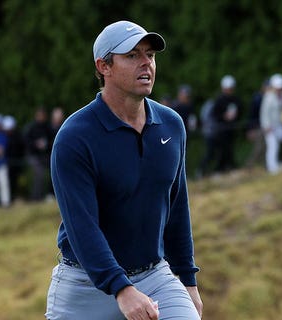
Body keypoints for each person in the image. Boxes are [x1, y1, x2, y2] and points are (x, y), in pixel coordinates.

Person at [45, 20, 203, 320]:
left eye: (150, 55)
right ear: (104, 66)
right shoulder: (75, 136)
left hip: (155, 276)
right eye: (132, 55)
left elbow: (177, 209)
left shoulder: (172, 125)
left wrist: (188, 280)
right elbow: (82, 227)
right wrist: (122, 288)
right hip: (85, 285)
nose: (146, 63)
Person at [260, 74, 282, 174]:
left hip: (279, 125)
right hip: (270, 127)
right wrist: (266, 126)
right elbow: (264, 113)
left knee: (278, 145)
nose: (279, 90)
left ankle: (276, 164)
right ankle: (272, 167)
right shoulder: (268, 96)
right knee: (273, 146)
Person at [24, 107, 53, 201]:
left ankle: (51, 194)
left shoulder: (48, 127)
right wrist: (36, 145)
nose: (41, 118)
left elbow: (52, 141)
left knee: (55, 170)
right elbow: (26, 142)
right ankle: (36, 197)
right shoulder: (31, 127)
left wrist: (46, 144)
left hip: (45, 155)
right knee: (39, 174)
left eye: (43, 116)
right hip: (33, 156)